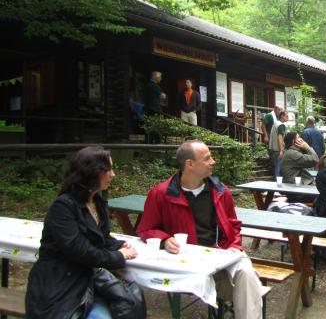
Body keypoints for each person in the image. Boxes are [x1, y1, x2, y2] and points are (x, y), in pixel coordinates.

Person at [136, 140, 263, 319]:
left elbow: (233, 224)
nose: (213, 162)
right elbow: (146, 228)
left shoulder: (221, 191)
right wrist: (164, 240)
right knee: (244, 289)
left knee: (247, 274)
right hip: (189, 260)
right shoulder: (161, 194)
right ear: (190, 164)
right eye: (207, 158)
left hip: (223, 252)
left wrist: (234, 246)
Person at [26, 147, 138, 318]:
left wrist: (119, 245)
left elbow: (100, 237)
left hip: (86, 281)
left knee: (130, 305)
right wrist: (118, 256)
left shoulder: (97, 202)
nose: (113, 174)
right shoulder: (63, 207)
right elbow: (79, 250)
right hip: (59, 287)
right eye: (108, 169)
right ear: (91, 172)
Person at [280, 132, 319, 203]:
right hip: (297, 193)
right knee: (324, 196)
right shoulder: (292, 154)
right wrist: (307, 147)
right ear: (293, 141)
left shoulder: (291, 152)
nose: (301, 139)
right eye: (298, 137)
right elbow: (315, 159)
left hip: (296, 189)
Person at [268, 110, 288, 177]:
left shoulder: (275, 123)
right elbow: (280, 138)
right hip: (278, 149)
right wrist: (282, 150)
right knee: (279, 166)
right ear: (282, 116)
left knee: (277, 165)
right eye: (286, 116)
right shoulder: (281, 125)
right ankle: (278, 182)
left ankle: (277, 181)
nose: (288, 117)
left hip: (273, 148)